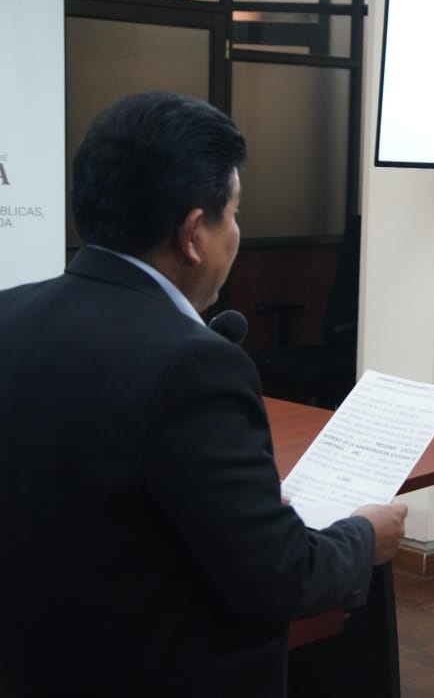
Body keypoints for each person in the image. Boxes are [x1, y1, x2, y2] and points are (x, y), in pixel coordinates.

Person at [0, 92, 408, 696]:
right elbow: (277, 576)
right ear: (193, 234)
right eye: (234, 214)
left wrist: (240, 507)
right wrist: (365, 536)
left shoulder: (9, 313)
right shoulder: (194, 364)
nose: (237, 232)